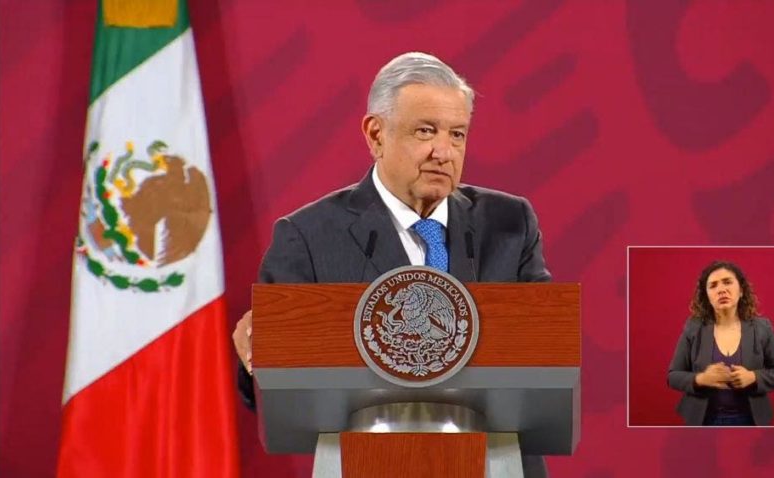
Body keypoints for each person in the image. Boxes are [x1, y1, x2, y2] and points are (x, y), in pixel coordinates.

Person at [232, 51, 551, 400]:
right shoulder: (308, 238)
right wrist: (259, 352)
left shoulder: (510, 224)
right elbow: (274, 388)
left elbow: (548, 349)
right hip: (366, 433)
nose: (444, 152)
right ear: (376, 135)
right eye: (425, 131)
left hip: (489, 434)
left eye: (457, 135)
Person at [667, 261, 774, 426]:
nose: (721, 290)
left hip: (751, 420)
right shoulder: (693, 328)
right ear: (706, 296)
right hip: (703, 421)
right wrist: (701, 378)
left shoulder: (762, 327)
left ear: (741, 291)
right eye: (713, 286)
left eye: (727, 282)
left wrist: (753, 377)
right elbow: (673, 376)